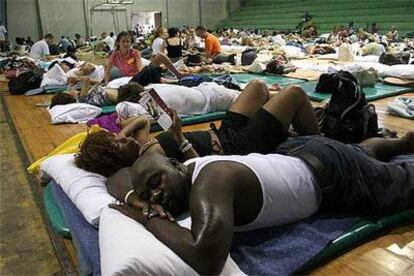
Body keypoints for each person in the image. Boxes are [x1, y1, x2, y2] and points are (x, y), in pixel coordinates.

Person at [108, 132, 414, 275]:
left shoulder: (211, 180)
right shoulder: (191, 169)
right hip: (302, 151)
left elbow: (206, 259)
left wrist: (147, 216)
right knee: (361, 154)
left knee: (400, 185)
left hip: (333, 174)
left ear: (176, 165)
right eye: (149, 195)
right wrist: (136, 198)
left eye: (156, 183)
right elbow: (119, 176)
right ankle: (399, 143)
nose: (156, 196)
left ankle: (401, 151)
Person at [75, 81, 320, 177]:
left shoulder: (138, 148)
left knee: (257, 86)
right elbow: (199, 174)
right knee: (295, 94)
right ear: (116, 159)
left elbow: (142, 122)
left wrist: (120, 135)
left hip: (226, 131)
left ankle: (285, 130)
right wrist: (181, 139)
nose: (122, 141)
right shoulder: (149, 161)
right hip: (236, 147)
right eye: (117, 145)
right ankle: (322, 144)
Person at [104, 31, 187, 85]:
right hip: (133, 79)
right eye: (123, 41)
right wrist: (106, 83)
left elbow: (140, 69)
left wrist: (146, 74)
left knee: (159, 56)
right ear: (118, 42)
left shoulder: (135, 53)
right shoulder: (114, 56)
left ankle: (178, 74)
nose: (126, 44)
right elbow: (107, 71)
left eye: (128, 42)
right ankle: (170, 80)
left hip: (141, 74)